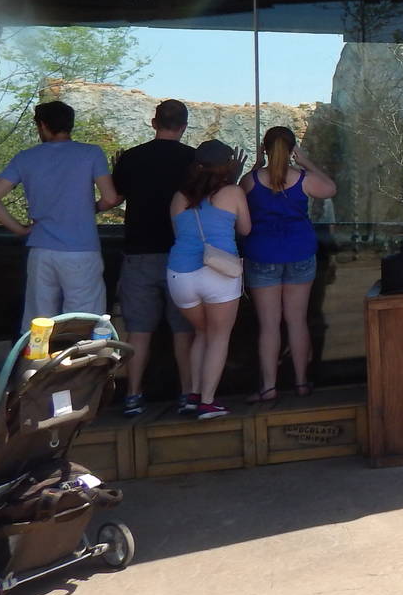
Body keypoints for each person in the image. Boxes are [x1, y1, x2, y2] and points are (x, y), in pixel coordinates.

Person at [0, 100, 121, 330]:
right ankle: (77, 365)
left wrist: (20, 229)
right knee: (83, 321)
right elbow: (110, 198)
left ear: (43, 125)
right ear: (70, 125)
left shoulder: (25, 157)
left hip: (41, 251)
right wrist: (88, 208)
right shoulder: (91, 153)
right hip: (81, 252)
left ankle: (35, 366)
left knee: (38, 323)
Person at [111, 100, 197, 416]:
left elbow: (114, 197)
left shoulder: (132, 158)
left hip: (139, 253)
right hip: (182, 254)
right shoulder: (193, 160)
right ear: (184, 126)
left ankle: (133, 395)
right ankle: (187, 393)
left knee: (139, 332)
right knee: (183, 332)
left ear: (153, 122)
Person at [240, 127, 337, 402]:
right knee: (296, 321)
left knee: (269, 325)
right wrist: (304, 161)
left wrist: (257, 165)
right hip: (299, 253)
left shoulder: (251, 181)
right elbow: (330, 188)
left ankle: (269, 387)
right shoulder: (302, 179)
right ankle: (301, 382)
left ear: (265, 148)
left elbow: (233, 199)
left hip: (262, 255)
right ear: (292, 148)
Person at [167, 140, 250, 421]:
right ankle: (207, 402)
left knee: (201, 333)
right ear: (228, 165)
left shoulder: (179, 196)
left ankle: (192, 395)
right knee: (218, 336)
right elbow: (246, 229)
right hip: (219, 271)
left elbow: (179, 233)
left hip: (180, 274)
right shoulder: (233, 192)